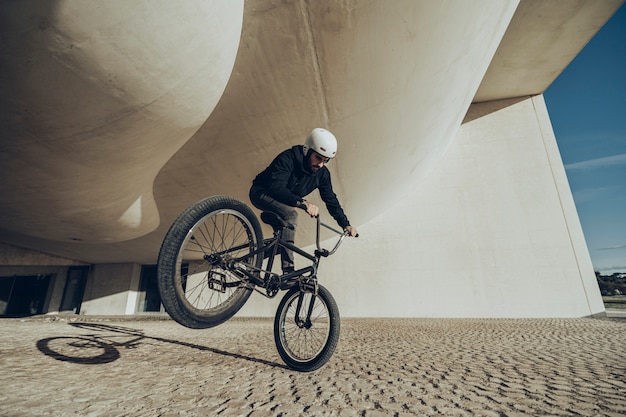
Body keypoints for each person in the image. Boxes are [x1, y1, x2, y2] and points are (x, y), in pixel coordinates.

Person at [249, 128, 358, 274]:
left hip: (283, 202)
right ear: (307, 150)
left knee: (285, 242)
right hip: (261, 192)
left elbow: (330, 199)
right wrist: (303, 203)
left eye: (325, 161)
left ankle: (251, 260)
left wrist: (346, 224)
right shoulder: (288, 158)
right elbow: (275, 187)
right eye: (318, 158)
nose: (320, 164)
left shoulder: (322, 174)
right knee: (291, 215)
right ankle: (288, 271)